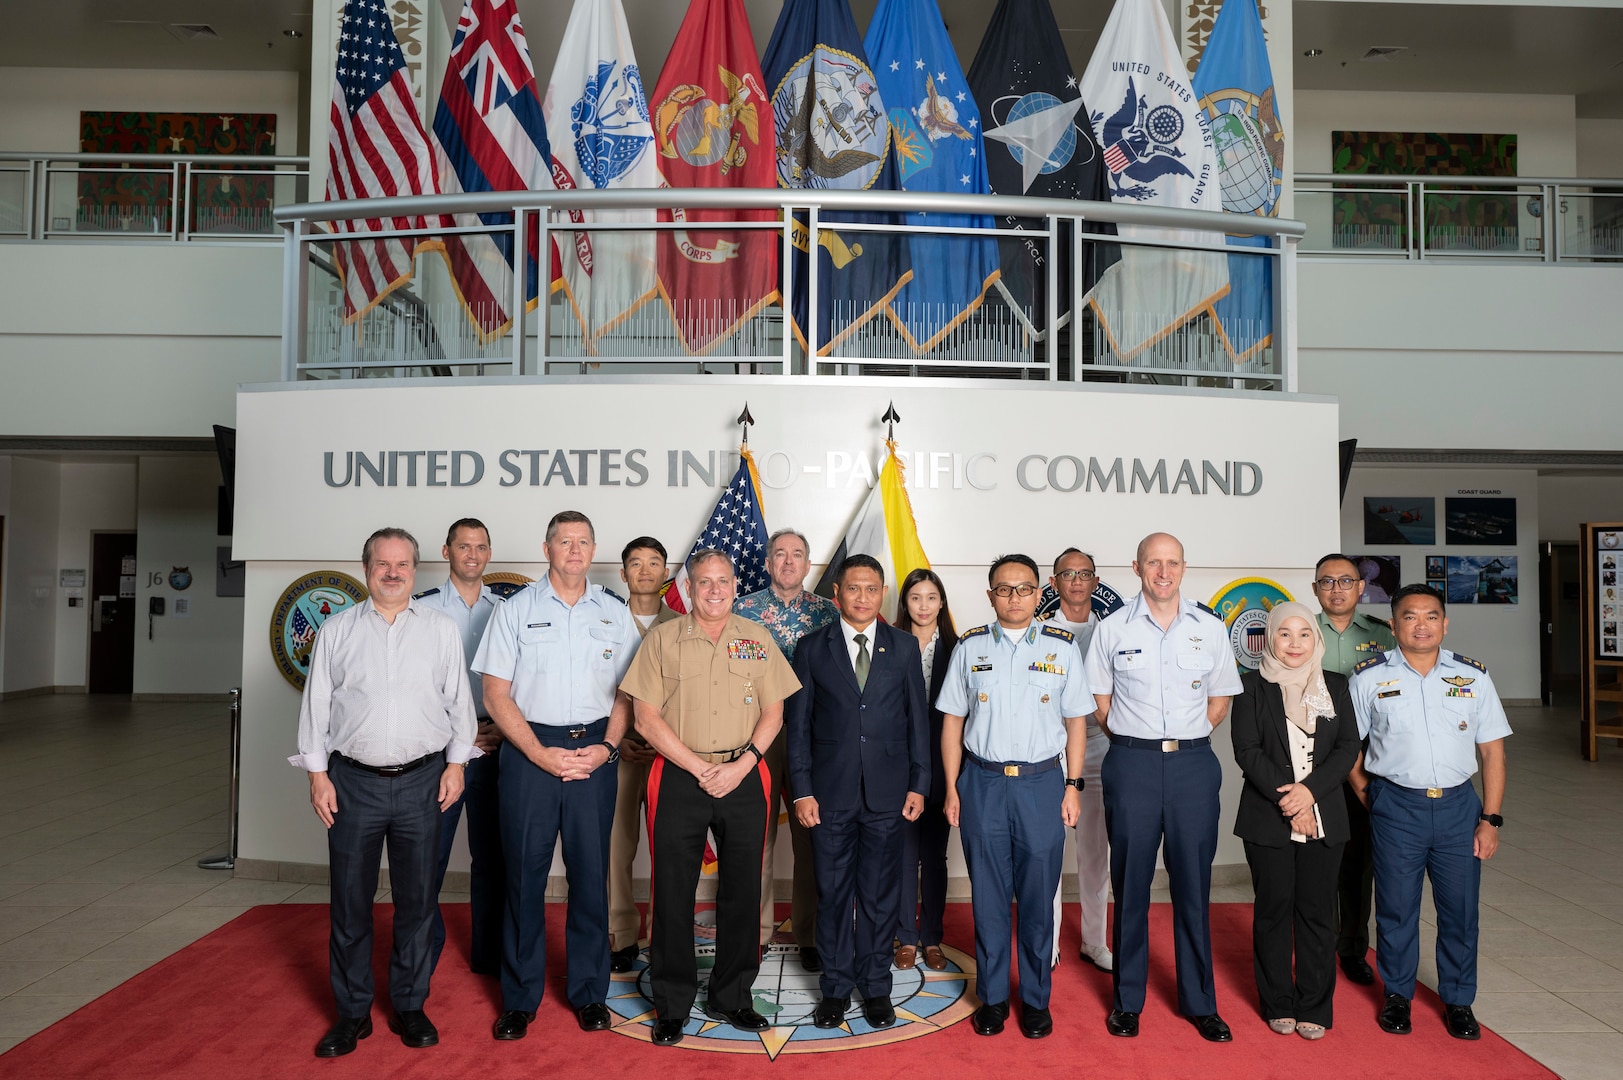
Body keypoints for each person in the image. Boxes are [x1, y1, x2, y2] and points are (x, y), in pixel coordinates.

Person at [293, 527, 477, 1058]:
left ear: (416, 570)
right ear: (366, 568)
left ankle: (410, 1005)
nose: (392, 572)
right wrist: (317, 775)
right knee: (350, 903)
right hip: (352, 784)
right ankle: (352, 1014)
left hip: (424, 780)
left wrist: (457, 764)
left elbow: (459, 704)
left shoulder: (440, 630)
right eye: (382, 564)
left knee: (417, 904)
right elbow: (317, 707)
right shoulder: (337, 630)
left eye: (402, 564)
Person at [619, 549, 800, 1046]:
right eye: (705, 582)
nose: (715, 590)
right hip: (680, 772)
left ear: (736, 586)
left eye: (724, 581)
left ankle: (732, 996)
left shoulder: (758, 639)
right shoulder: (662, 639)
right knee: (672, 891)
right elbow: (645, 718)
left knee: (743, 888)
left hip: (744, 771)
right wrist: (700, 768)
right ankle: (672, 1003)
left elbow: (774, 712)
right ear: (689, 587)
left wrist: (741, 766)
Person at [472, 511, 638, 1041]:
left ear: (593, 549)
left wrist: (608, 748)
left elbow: (628, 693)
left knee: (592, 877)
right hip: (528, 754)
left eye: (583, 541)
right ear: (546, 548)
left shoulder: (615, 613)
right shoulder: (515, 610)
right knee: (522, 877)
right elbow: (495, 694)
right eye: (564, 541)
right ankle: (519, 999)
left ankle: (590, 993)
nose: (574, 549)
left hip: (594, 752)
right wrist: (539, 754)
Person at [1084, 532, 1242, 1042]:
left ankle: (1200, 1002)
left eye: (1172, 562)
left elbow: (1220, 699)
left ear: (1184, 567)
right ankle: (1128, 1001)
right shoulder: (1111, 629)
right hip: (1131, 764)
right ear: (1137, 567)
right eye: (1154, 562)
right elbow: (1100, 702)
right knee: (1130, 883)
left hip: (1194, 765)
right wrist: (1135, 742)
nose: (1163, 571)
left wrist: (1187, 739)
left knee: (1194, 884)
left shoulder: (1210, 627)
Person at [1347, 584, 1511, 1041]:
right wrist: (1368, 794)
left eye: (1431, 616)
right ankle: (1397, 997)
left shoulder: (1473, 677)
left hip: (1460, 807)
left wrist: (1490, 818)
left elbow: (1492, 753)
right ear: (1394, 624)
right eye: (1410, 616)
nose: (1421, 625)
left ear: (1445, 622)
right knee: (1397, 909)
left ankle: (1458, 1001)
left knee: (1460, 911)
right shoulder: (1368, 677)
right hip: (1396, 806)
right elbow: (1347, 749)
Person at [938, 555, 1090, 1039]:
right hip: (981, 783)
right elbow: (952, 722)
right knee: (987, 898)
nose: (1014, 597)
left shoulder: (1062, 648)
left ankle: (1036, 999)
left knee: (1038, 898)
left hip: (1042, 784)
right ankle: (994, 997)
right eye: (1004, 589)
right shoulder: (970, 647)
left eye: (1024, 589)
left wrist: (1073, 785)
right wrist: (951, 787)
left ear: (1038, 592)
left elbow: (1076, 722)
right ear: (990, 596)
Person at [786, 554, 929, 1030]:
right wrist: (802, 791)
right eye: (853, 589)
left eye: (872, 589)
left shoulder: (904, 647)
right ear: (836, 594)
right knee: (832, 894)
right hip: (828, 797)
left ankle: (875, 988)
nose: (863, 597)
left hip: (889, 796)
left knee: (879, 897)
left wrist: (919, 783)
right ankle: (834, 988)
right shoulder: (811, 648)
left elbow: (917, 725)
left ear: (882, 594)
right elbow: (798, 727)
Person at [1230, 602, 1362, 1041]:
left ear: (1316, 640)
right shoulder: (1250, 686)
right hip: (1268, 817)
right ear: (1269, 638)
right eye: (1284, 634)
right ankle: (1277, 1002)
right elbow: (1247, 751)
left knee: (1318, 914)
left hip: (1327, 815)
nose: (1294, 643)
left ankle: (1314, 1005)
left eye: (1304, 634)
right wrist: (1293, 802)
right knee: (1272, 911)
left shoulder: (1337, 686)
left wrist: (1310, 794)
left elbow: (1346, 749)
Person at [734, 528, 837, 969]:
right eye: (781, 554)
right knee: (755, 837)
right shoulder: (743, 610)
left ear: (808, 564)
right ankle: (755, 933)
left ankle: (809, 934)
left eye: (798, 554)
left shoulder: (828, 613)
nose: (789, 561)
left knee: (810, 837)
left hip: (811, 738)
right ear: (769, 562)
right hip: (757, 735)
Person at [414, 518, 506, 977]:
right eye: (463, 546)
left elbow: (520, 680)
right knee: (430, 856)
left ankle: (488, 955)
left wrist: (502, 731)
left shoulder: (506, 609)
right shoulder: (422, 610)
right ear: (446, 551)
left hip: (494, 744)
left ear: (489, 554)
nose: (473, 554)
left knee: (492, 856)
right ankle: (422, 956)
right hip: (442, 749)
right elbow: (413, 685)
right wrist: (459, 737)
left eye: (481, 547)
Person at [1311, 552, 1396, 987]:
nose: (1336, 590)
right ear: (1315, 590)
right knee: (1317, 857)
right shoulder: (1301, 632)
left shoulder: (1385, 636)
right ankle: (1316, 946)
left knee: (1359, 860)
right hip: (1312, 758)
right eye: (1327, 582)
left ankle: (1352, 947)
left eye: (1345, 581)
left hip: (1367, 758)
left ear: (1361, 588)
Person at [608, 537, 681, 972]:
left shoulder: (682, 625)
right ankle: (620, 935)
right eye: (635, 563)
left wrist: (662, 740)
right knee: (618, 847)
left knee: (668, 847)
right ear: (623, 574)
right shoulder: (603, 620)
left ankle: (663, 933)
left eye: (654, 562)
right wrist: (614, 739)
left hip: (665, 753)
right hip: (615, 750)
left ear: (665, 572)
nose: (645, 570)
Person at [1043, 548, 1114, 973]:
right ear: (1054, 583)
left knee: (1094, 853)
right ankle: (1048, 944)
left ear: (1095, 580)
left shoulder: (1113, 631)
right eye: (1067, 574)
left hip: (1099, 746)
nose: (1076, 581)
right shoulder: (1039, 632)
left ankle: (1093, 941)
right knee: (1049, 852)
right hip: (1051, 752)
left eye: (1084, 573)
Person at [892, 568, 960, 972]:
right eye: (915, 597)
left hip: (943, 766)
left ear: (941, 603)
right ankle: (905, 936)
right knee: (902, 856)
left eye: (931, 597)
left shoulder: (959, 647)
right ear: (905, 603)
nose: (923, 606)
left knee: (935, 858)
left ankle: (932, 936)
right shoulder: (889, 645)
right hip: (897, 767)